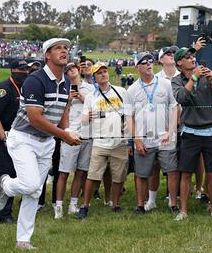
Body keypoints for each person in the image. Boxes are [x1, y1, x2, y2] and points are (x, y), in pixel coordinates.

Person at [0, 38, 80, 250]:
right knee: (31, 185)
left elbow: (63, 111)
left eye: (66, 48)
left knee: (34, 192)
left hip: (45, 142)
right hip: (23, 138)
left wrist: (67, 130)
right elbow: (35, 118)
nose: (64, 51)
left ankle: (23, 241)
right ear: (47, 55)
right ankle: (5, 185)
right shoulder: (35, 80)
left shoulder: (66, 82)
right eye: (58, 48)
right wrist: (63, 135)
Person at [171, 47, 212, 220]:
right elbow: (181, 98)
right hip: (190, 131)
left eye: (193, 56)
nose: (193, 59)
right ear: (179, 62)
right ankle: (183, 211)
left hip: (211, 131)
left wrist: (211, 80)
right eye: (188, 57)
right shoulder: (176, 80)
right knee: (186, 173)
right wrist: (194, 77)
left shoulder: (206, 75)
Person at [75, 62, 130, 219]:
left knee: (119, 176)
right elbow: (84, 120)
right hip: (100, 141)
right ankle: (85, 205)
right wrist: (87, 117)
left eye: (105, 71)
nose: (103, 74)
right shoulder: (91, 96)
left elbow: (129, 112)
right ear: (94, 77)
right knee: (93, 175)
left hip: (119, 141)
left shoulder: (121, 91)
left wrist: (126, 123)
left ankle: (116, 203)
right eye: (99, 73)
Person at [128, 52, 179, 215]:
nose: (149, 64)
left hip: (165, 138)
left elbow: (174, 108)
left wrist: (170, 132)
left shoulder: (165, 84)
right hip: (144, 139)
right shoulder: (132, 89)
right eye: (144, 62)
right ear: (137, 67)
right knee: (142, 174)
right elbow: (129, 116)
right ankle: (140, 205)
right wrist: (136, 140)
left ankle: (173, 204)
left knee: (171, 171)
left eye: (150, 61)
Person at [0, 59, 29, 223]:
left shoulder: (23, 89)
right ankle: (3, 214)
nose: (24, 72)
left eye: (26, 69)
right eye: (20, 69)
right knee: (6, 176)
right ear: (12, 70)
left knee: (2, 177)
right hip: (1, 140)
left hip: (16, 139)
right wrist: (4, 138)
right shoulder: (4, 89)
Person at [54, 63, 94, 219]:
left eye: (73, 69)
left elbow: (95, 108)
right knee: (63, 172)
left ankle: (73, 204)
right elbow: (58, 112)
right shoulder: (62, 89)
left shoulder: (90, 89)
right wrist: (69, 100)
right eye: (67, 70)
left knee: (81, 172)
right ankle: (58, 206)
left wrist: (83, 98)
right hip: (70, 134)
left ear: (78, 70)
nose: (71, 71)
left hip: (87, 134)